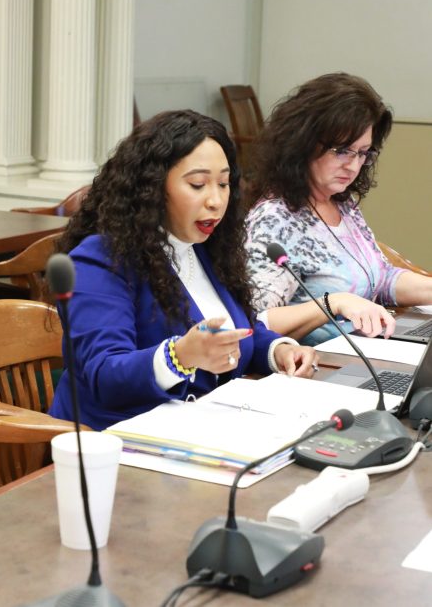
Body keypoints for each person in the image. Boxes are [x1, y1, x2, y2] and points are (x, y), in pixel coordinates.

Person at [49, 109, 317, 430]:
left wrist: (278, 350)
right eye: (198, 184)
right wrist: (179, 356)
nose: (216, 200)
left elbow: (230, 332)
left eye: (223, 183)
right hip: (114, 443)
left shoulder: (204, 249)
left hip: (199, 430)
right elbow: (104, 374)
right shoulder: (101, 259)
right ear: (151, 187)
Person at [245, 72, 432, 346]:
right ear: (303, 144)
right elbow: (256, 323)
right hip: (317, 369)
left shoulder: (340, 203)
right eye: (341, 151)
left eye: (363, 152)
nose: (353, 165)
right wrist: (333, 303)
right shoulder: (275, 219)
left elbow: (382, 278)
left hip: (363, 355)